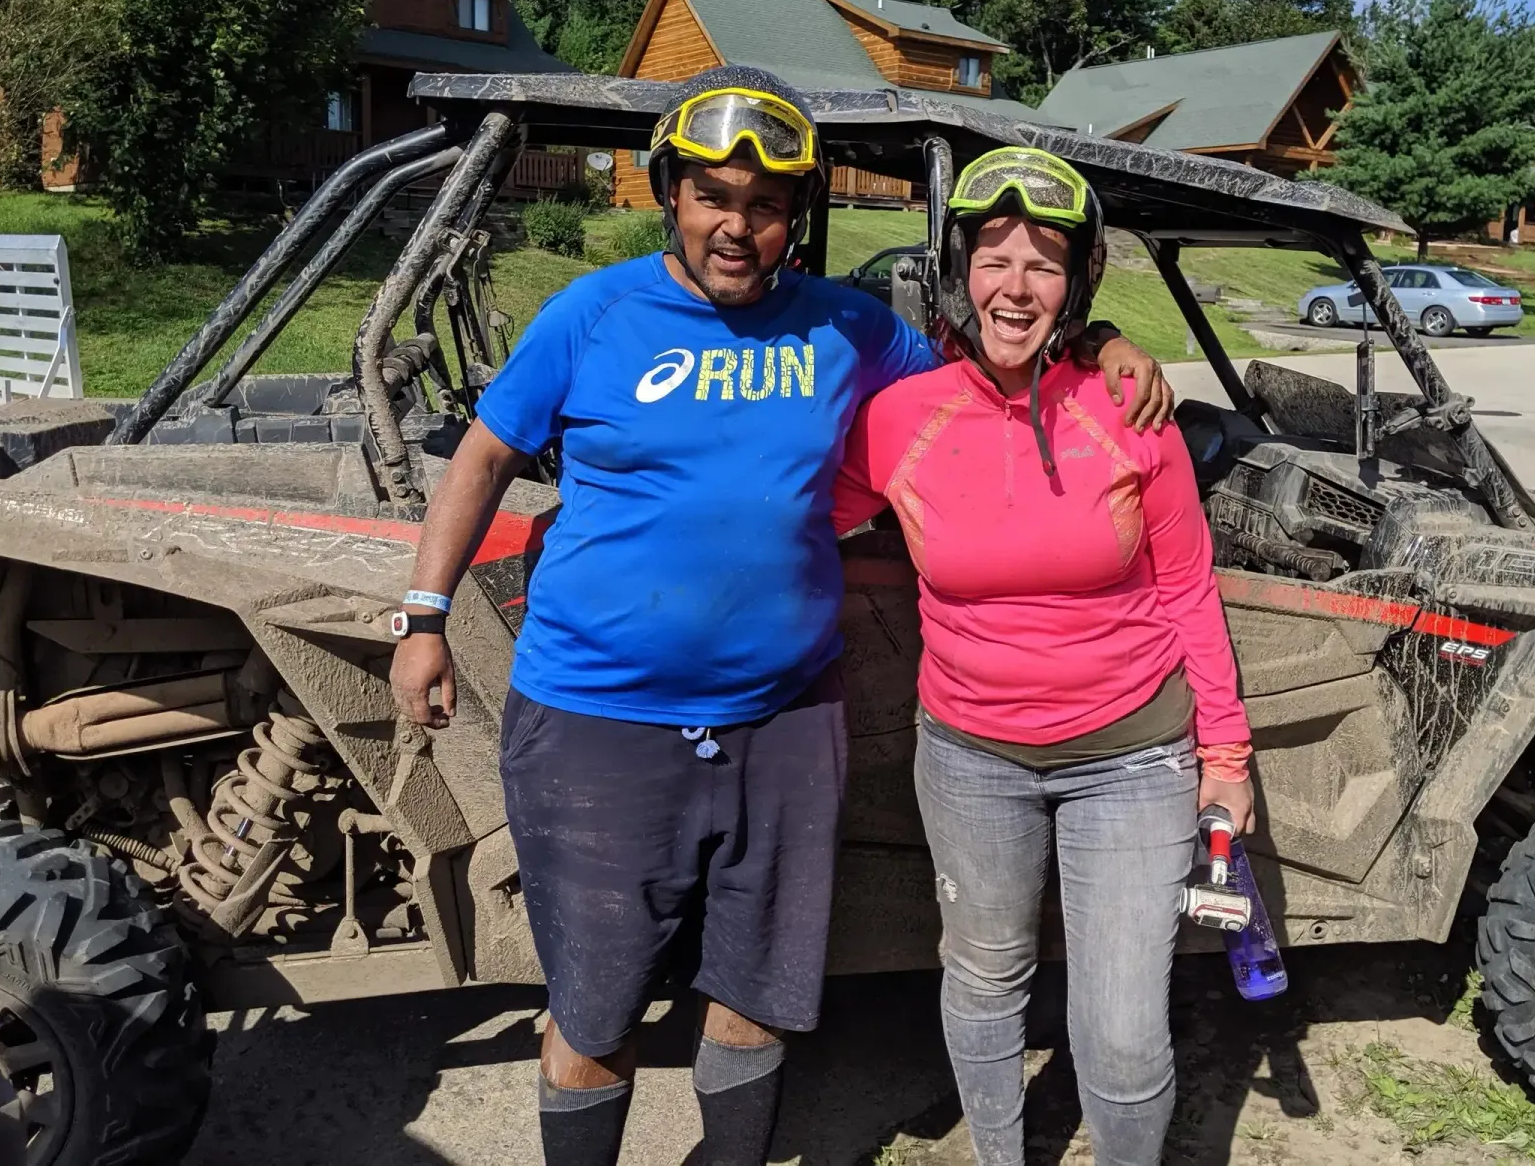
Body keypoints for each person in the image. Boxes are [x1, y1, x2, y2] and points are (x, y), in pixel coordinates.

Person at [387, 66, 1172, 1166]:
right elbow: (482, 456)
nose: (737, 226)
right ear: (671, 196)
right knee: (596, 1006)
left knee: (758, 991)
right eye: (714, 197)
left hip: (788, 720)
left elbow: (982, 367)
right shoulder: (595, 315)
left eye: (764, 205)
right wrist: (424, 616)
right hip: (599, 719)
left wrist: (1099, 344)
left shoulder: (849, 329)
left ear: (794, 216)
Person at [833, 146, 1255, 1166]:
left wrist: (1227, 763)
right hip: (970, 758)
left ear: (1078, 284)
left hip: (1134, 759)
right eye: (992, 257)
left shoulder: (1130, 411)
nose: (1014, 285)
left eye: (1044, 262)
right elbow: (790, 526)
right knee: (982, 977)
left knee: (1120, 1027)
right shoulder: (897, 420)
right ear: (956, 270)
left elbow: (1186, 588)